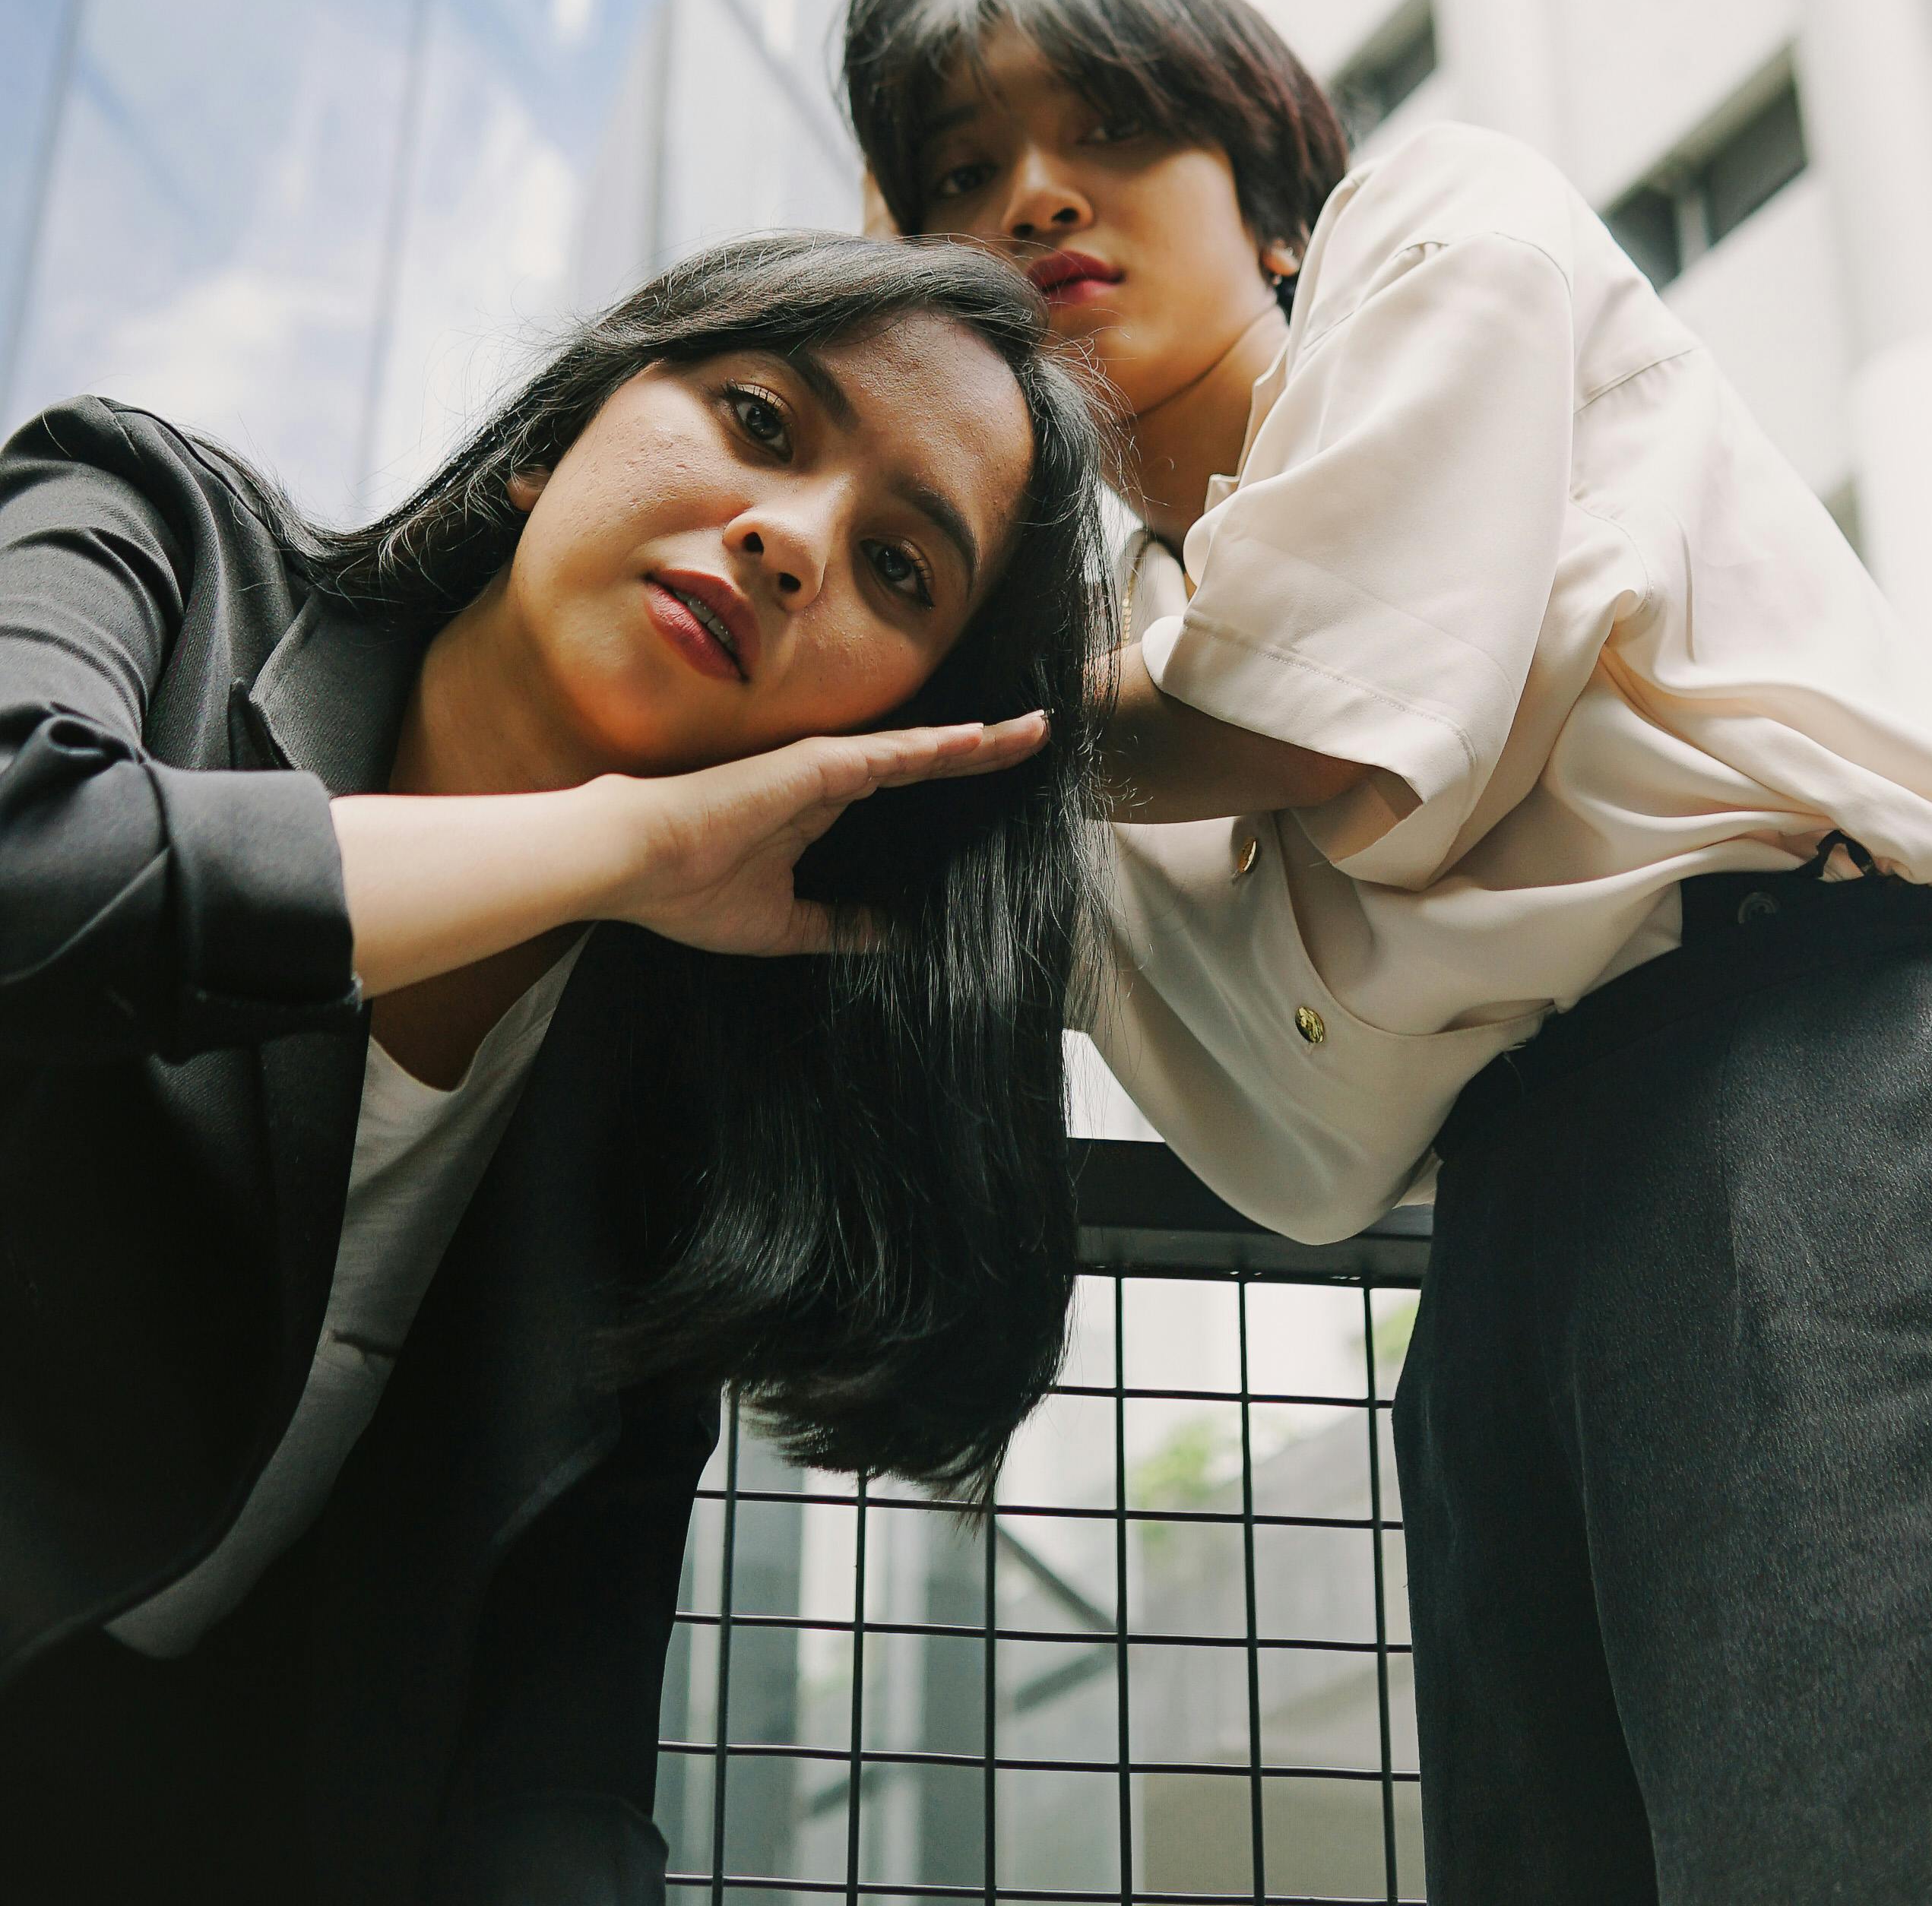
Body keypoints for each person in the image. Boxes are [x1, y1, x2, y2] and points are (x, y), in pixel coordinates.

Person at [843, 0, 1932, 1906]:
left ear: (1264, 194)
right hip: (1498, 1246)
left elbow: (1328, 717)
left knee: (1856, 1842)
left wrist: (898, 722)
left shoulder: (1441, 233)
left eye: (1108, 125)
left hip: (1813, 1079)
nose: (1029, 198)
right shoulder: (1094, 659)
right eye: (955, 175)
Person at [0, 231, 1110, 1906]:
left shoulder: (678, 1087)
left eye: (899, 572)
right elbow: (31, 868)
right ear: (550, 442)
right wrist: (607, 844)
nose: (791, 541)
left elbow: (560, 1738)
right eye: (756, 418)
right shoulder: (146, 526)